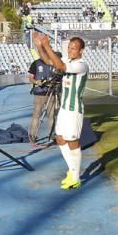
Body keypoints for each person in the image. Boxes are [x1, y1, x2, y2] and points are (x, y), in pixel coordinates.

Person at [33, 32, 88, 190]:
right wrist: (40, 46)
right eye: (69, 48)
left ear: (81, 51)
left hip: (74, 109)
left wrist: (48, 45)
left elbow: (60, 66)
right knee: (60, 138)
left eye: (74, 48)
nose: (70, 51)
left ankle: (75, 177)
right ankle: (72, 171)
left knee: (72, 141)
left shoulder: (81, 65)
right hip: (64, 108)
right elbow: (49, 61)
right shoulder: (68, 60)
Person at [27, 50, 59, 144]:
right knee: (36, 115)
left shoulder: (53, 62)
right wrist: (37, 82)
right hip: (39, 94)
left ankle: (52, 135)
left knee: (51, 115)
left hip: (51, 93)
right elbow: (30, 78)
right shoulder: (36, 63)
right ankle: (33, 135)